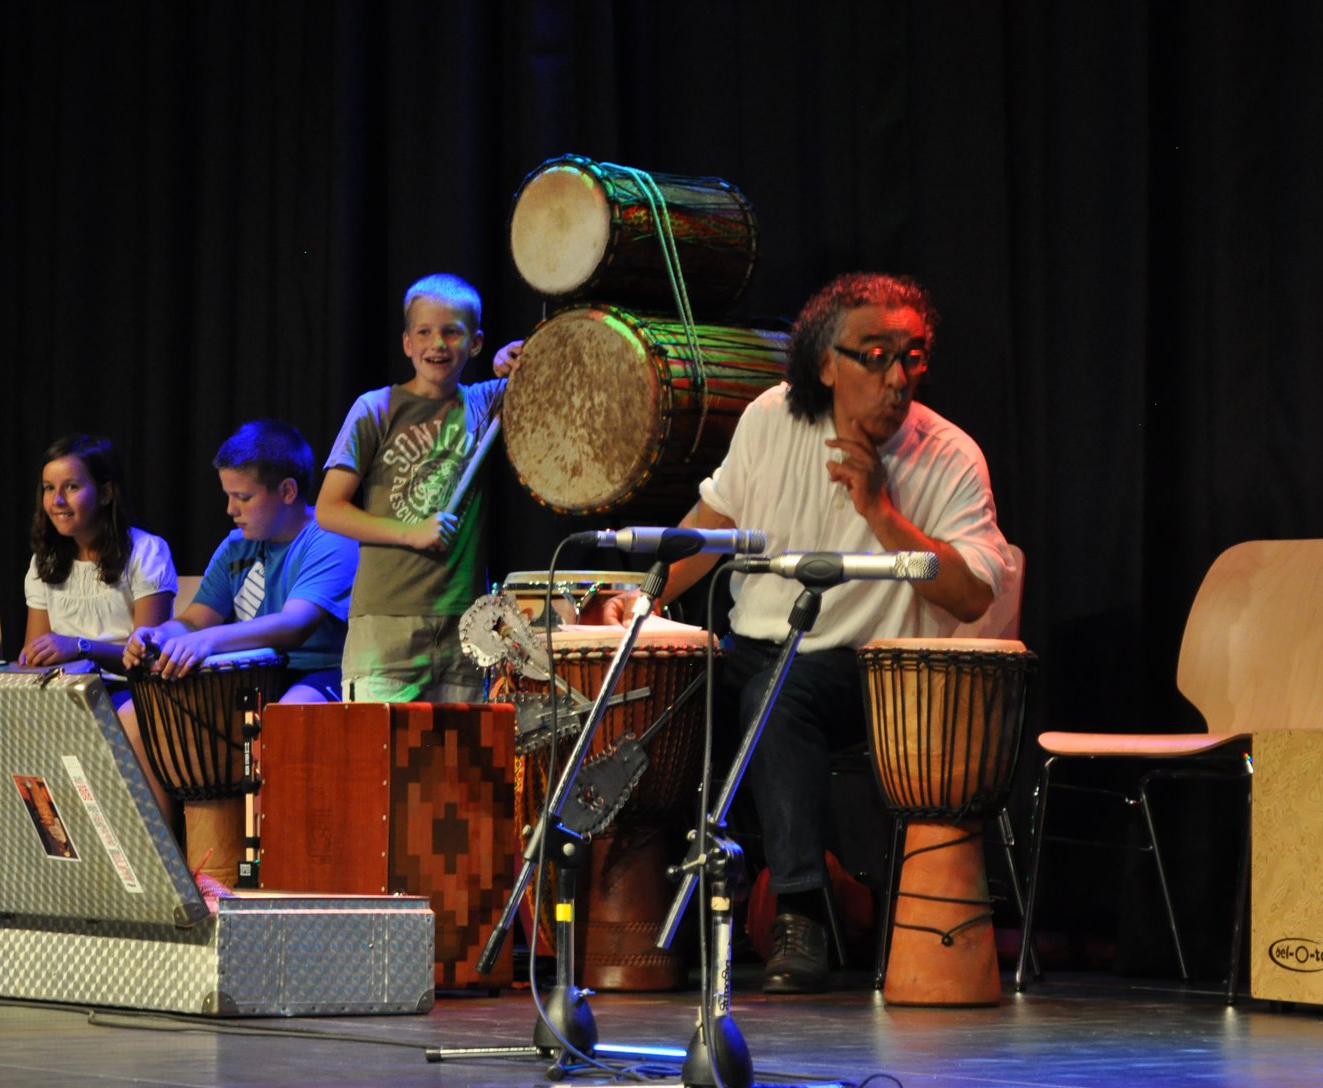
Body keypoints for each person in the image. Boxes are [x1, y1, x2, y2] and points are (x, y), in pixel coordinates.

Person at [608, 272, 1011, 993]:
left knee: (778, 697)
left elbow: (976, 594)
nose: (897, 377)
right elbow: (716, 528)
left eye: (911, 357)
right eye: (875, 355)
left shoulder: (950, 456)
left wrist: (884, 513)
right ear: (826, 363)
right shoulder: (770, 418)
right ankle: (637, 917)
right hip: (755, 648)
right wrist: (638, 602)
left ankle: (800, 911)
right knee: (652, 691)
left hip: (870, 673)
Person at [314, 273, 520, 701]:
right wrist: (410, 531)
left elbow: (556, 363)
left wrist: (514, 357)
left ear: (475, 342)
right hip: (387, 626)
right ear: (407, 343)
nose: (437, 344)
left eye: (451, 332)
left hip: (464, 621)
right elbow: (329, 509)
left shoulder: (485, 402)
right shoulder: (375, 408)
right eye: (424, 332)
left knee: (457, 766)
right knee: (382, 762)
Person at [123, 418, 356, 701]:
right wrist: (159, 636)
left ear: (287, 491)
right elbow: (196, 621)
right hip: (255, 673)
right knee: (133, 713)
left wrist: (208, 640)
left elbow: (295, 624)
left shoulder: (330, 535)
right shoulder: (236, 544)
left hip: (323, 673)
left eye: (243, 497)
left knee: (291, 712)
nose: (231, 509)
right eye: (228, 496)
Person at [17, 434, 176, 673]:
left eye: (71, 487)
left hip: (129, 690)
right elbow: (36, 656)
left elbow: (147, 659)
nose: (57, 500)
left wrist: (82, 647)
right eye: (49, 488)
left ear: (105, 493)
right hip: (65, 691)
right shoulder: (44, 561)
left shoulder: (146, 551)